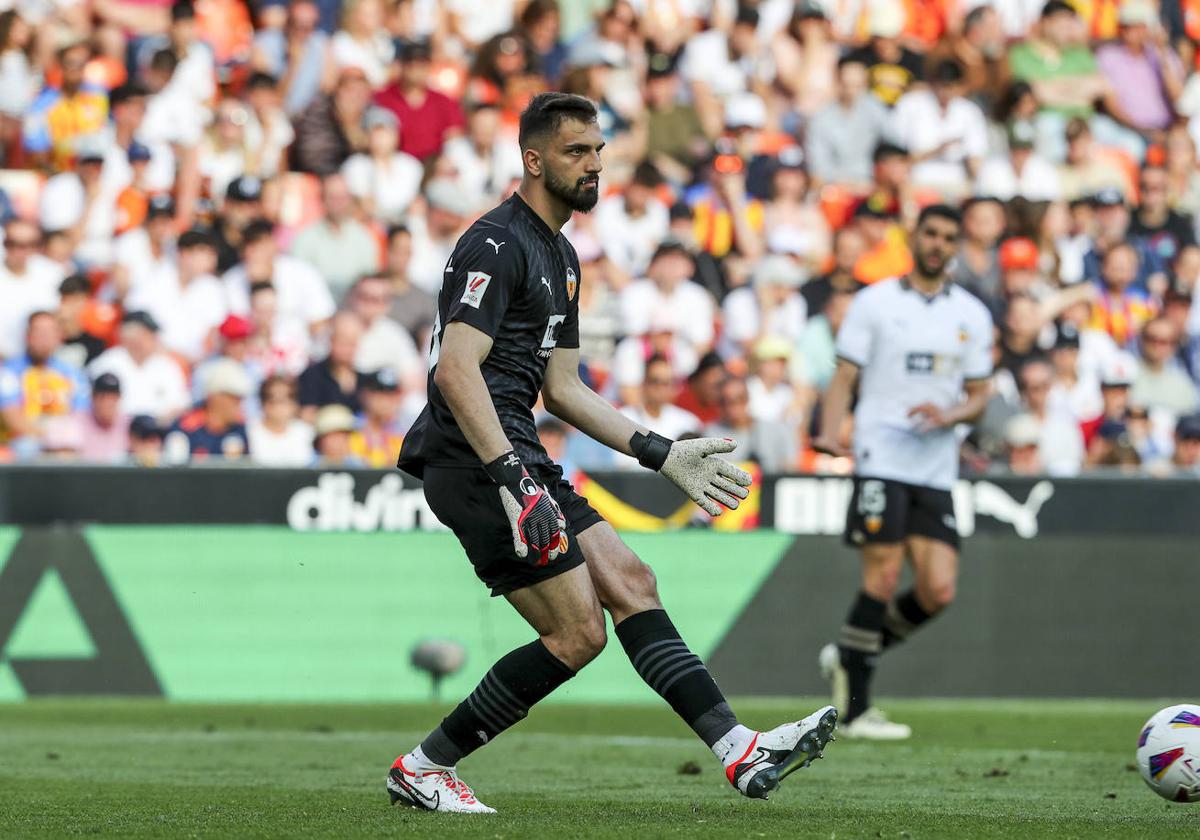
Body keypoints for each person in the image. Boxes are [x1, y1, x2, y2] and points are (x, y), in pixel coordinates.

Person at [392, 93, 834, 814]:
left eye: (597, 150)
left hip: (520, 456)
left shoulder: (561, 253)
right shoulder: (495, 243)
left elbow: (562, 388)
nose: (593, 164)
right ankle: (423, 766)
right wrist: (511, 480)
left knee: (632, 581)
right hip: (477, 461)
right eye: (576, 152)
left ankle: (738, 749)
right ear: (533, 160)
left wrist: (662, 452)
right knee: (576, 633)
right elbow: (454, 371)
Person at [813, 205, 993, 739]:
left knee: (938, 591)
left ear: (956, 245)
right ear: (914, 238)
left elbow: (979, 397)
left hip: (936, 466)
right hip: (880, 457)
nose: (938, 243)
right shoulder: (875, 302)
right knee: (884, 576)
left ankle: (849, 652)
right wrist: (830, 429)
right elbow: (844, 376)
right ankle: (857, 711)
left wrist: (951, 414)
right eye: (931, 233)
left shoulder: (972, 314)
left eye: (948, 236)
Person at [88, 311, 191, 424]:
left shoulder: (166, 366)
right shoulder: (107, 362)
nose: (154, 339)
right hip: (115, 430)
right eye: (147, 333)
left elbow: (181, 404)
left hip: (155, 431)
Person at [163, 357, 251, 462]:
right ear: (214, 396)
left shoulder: (239, 429)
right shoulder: (185, 427)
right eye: (233, 398)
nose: (238, 404)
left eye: (240, 399)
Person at [247, 374, 314, 466]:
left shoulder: (307, 432)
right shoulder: (249, 431)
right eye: (272, 399)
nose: (278, 405)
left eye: (286, 398)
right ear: (263, 403)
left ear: (295, 404)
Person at [349, 368, 406, 467]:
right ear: (365, 395)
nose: (385, 400)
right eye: (379, 392)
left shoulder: (402, 431)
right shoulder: (350, 426)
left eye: (390, 394)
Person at [78, 372, 130, 463]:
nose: (107, 403)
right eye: (102, 396)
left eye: (112, 397)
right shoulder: (77, 422)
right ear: (93, 397)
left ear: (119, 398)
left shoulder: (129, 424)